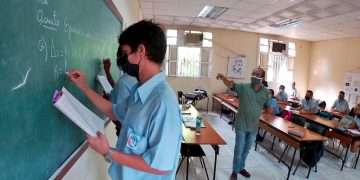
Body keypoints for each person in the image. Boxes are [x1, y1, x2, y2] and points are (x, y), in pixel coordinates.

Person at [68, 20, 182, 180]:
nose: (122, 60)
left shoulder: (163, 103)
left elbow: (159, 166)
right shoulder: (140, 92)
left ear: (141, 51)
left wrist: (108, 152)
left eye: (125, 52)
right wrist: (84, 88)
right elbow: (113, 111)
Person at [216, 67, 272, 179]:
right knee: (239, 149)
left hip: (253, 127)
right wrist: (223, 78)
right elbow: (231, 85)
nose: (254, 75)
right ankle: (235, 171)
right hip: (241, 124)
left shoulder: (266, 92)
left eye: (257, 74)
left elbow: (269, 109)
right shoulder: (244, 87)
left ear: (262, 78)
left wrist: (260, 111)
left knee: (246, 150)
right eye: (253, 73)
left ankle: (241, 168)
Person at [102, 58, 137, 136]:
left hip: (125, 131)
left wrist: (106, 102)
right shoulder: (135, 78)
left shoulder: (123, 82)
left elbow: (118, 116)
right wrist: (107, 72)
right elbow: (117, 87)